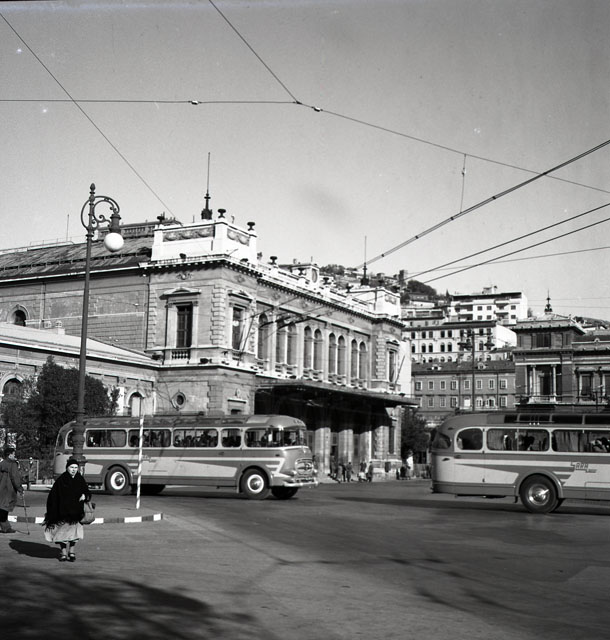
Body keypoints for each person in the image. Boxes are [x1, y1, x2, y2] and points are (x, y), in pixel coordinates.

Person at [43, 457, 92, 562]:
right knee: (62, 535)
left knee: (75, 535)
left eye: (75, 467)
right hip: (63, 513)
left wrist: (85, 495)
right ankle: (64, 553)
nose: (74, 470)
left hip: (76, 513)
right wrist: (53, 511)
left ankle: (72, 551)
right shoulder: (61, 480)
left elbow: (87, 491)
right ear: (67, 468)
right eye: (71, 467)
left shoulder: (80, 479)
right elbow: (53, 496)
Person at [0, 445, 24, 534]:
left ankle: (6, 527)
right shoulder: (13, 464)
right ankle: (6, 528)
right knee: (4, 509)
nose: (14, 456)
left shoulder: (2, 464)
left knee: (2, 508)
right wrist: (20, 488)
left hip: (1, 489)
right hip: (9, 490)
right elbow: (15, 477)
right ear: (9, 455)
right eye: (13, 454)